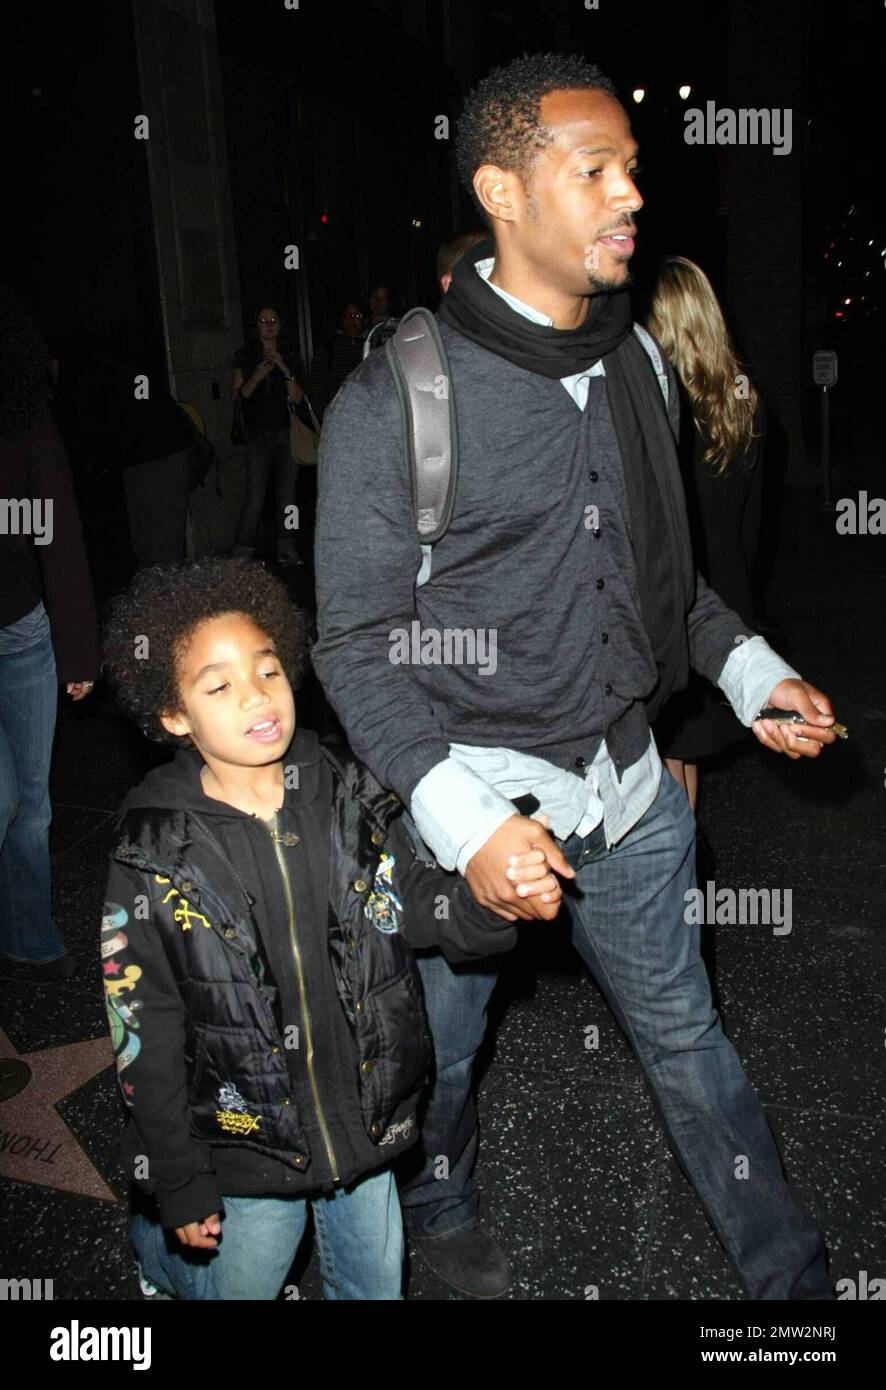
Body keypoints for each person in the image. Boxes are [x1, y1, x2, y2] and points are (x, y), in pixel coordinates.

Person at [313, 52, 839, 1301]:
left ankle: (795, 1287)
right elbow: (352, 643)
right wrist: (467, 820)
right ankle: (439, 1199)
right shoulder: (398, 398)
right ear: (501, 188)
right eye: (592, 168)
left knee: (690, 1045)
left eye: (633, 169)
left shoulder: (642, 367)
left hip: (632, 792)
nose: (629, 195)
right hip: (468, 803)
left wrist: (751, 671)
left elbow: (674, 588)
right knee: (438, 1054)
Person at [100, 556, 532, 1301]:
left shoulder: (346, 792)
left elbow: (409, 903)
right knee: (242, 1284)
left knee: (375, 1288)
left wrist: (487, 904)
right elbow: (142, 1030)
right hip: (247, 1146)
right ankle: (158, 1255)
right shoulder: (154, 853)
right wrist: (176, 1180)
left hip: (360, 1120)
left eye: (267, 672)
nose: (256, 697)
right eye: (219, 686)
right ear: (173, 716)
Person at [0, 287, 100, 980]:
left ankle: (30, 937)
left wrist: (78, 651)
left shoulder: (26, 426)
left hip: (22, 638)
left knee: (30, 808)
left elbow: (55, 540)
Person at [646, 256, 766, 814]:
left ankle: (676, 890)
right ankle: (684, 880)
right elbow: (752, 525)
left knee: (671, 767)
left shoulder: (662, 411)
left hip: (683, 608)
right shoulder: (745, 405)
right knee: (681, 760)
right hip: (727, 595)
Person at [232, 306, 306, 567]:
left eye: (273, 320)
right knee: (255, 495)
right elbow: (240, 396)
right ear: (256, 326)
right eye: (263, 320)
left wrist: (284, 368)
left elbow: (297, 397)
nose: (268, 324)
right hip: (258, 436)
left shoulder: (290, 355)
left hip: (287, 434)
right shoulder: (245, 356)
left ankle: (288, 548)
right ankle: (242, 554)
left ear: (280, 325)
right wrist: (258, 374)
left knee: (288, 495)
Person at [310, 301, 367, 419]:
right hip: (336, 419)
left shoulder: (374, 349)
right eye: (347, 315)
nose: (352, 320)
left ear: (365, 320)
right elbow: (317, 392)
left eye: (356, 316)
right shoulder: (327, 350)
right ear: (341, 320)